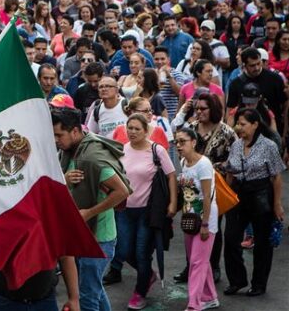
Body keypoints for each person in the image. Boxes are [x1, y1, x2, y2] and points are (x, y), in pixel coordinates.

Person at [51, 107, 130, 311]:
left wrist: (89, 213)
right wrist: (64, 180)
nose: (56, 140)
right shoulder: (72, 151)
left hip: (98, 239)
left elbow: (122, 191)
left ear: (76, 131)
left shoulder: (91, 158)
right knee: (93, 289)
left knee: (87, 298)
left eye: (59, 135)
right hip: (84, 236)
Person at [104, 114, 177, 309]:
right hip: (124, 209)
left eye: (137, 129)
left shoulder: (156, 150)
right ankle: (148, 275)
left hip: (148, 211)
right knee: (123, 250)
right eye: (130, 128)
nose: (133, 132)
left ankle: (140, 291)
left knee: (142, 253)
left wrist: (172, 203)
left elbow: (171, 176)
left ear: (146, 131)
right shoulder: (121, 150)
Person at [223, 108, 285, 297]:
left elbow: (276, 177)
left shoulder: (269, 146)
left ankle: (259, 284)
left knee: (262, 243)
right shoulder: (235, 145)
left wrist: (277, 204)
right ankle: (237, 280)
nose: (238, 128)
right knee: (231, 238)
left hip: (260, 194)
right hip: (239, 194)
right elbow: (230, 171)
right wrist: (225, 195)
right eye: (238, 124)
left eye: (243, 124)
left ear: (255, 124)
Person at [174, 127, 220, 311]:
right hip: (189, 218)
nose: (178, 145)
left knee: (197, 262)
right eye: (177, 142)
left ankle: (194, 304)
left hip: (204, 219)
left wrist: (206, 224)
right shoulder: (184, 162)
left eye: (182, 141)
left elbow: (207, 196)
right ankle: (210, 297)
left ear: (193, 142)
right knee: (200, 260)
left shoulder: (204, 164)